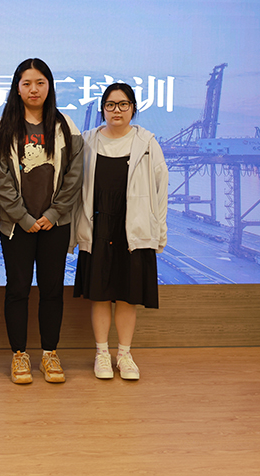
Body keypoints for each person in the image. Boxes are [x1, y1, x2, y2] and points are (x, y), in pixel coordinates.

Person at [0, 58, 83, 385]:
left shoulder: (66, 126)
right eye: (27, 83)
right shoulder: (4, 127)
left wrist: (53, 214)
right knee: (17, 290)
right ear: (17, 88)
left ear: (49, 86)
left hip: (55, 224)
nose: (34, 89)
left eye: (40, 83)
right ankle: (19, 354)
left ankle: (49, 353)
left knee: (52, 290)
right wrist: (24, 217)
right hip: (17, 226)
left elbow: (74, 175)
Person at [72, 82, 169, 380]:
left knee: (128, 296)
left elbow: (161, 187)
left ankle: (124, 355)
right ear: (103, 109)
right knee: (100, 295)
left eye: (123, 104)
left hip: (134, 228)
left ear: (133, 109)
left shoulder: (147, 143)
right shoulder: (88, 141)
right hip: (98, 226)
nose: (117, 110)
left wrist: (159, 230)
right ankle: (102, 354)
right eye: (111, 105)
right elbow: (75, 188)